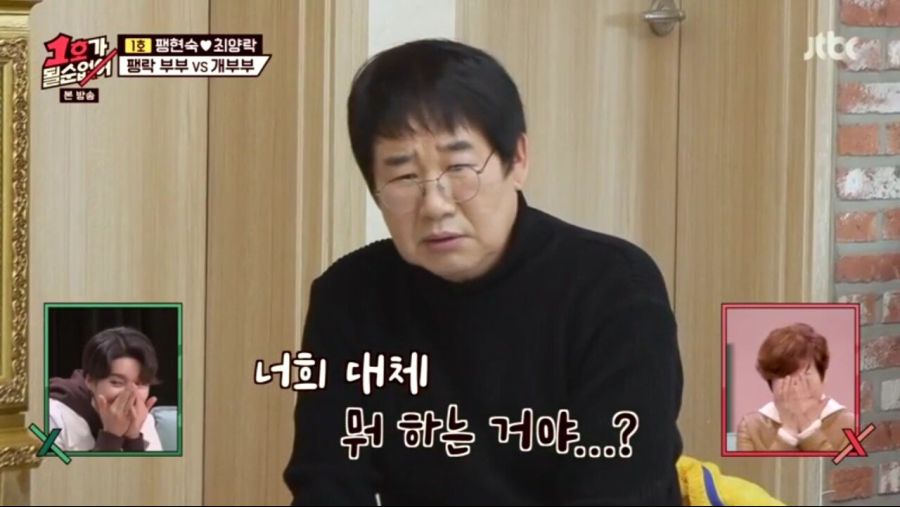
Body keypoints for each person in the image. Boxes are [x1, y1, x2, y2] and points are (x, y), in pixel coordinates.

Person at [283, 39, 684, 505]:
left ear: (518, 160)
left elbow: (621, 490)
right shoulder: (349, 296)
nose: (435, 204)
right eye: (404, 176)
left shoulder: (613, 286)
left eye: (459, 167)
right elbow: (327, 483)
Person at [737, 323, 855, 452]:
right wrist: (787, 434)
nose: (796, 385)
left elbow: (842, 465)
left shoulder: (851, 424)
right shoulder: (751, 427)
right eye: (786, 375)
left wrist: (809, 430)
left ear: (823, 377)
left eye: (805, 374)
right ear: (770, 382)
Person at [48, 326, 163, 452]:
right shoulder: (54, 415)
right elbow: (47, 465)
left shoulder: (142, 418)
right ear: (90, 381)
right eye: (117, 383)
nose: (131, 394)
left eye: (140, 384)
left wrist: (133, 439)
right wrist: (111, 437)